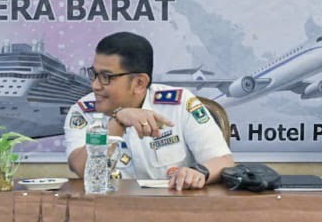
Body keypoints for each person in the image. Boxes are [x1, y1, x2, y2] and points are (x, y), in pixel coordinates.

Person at [64, 31, 234, 190]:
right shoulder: (83, 111)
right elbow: (81, 169)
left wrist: (198, 172)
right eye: (94, 74)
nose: (95, 85)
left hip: (175, 206)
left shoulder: (179, 104)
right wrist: (117, 122)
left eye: (106, 77)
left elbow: (224, 161)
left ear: (139, 83)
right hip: (109, 207)